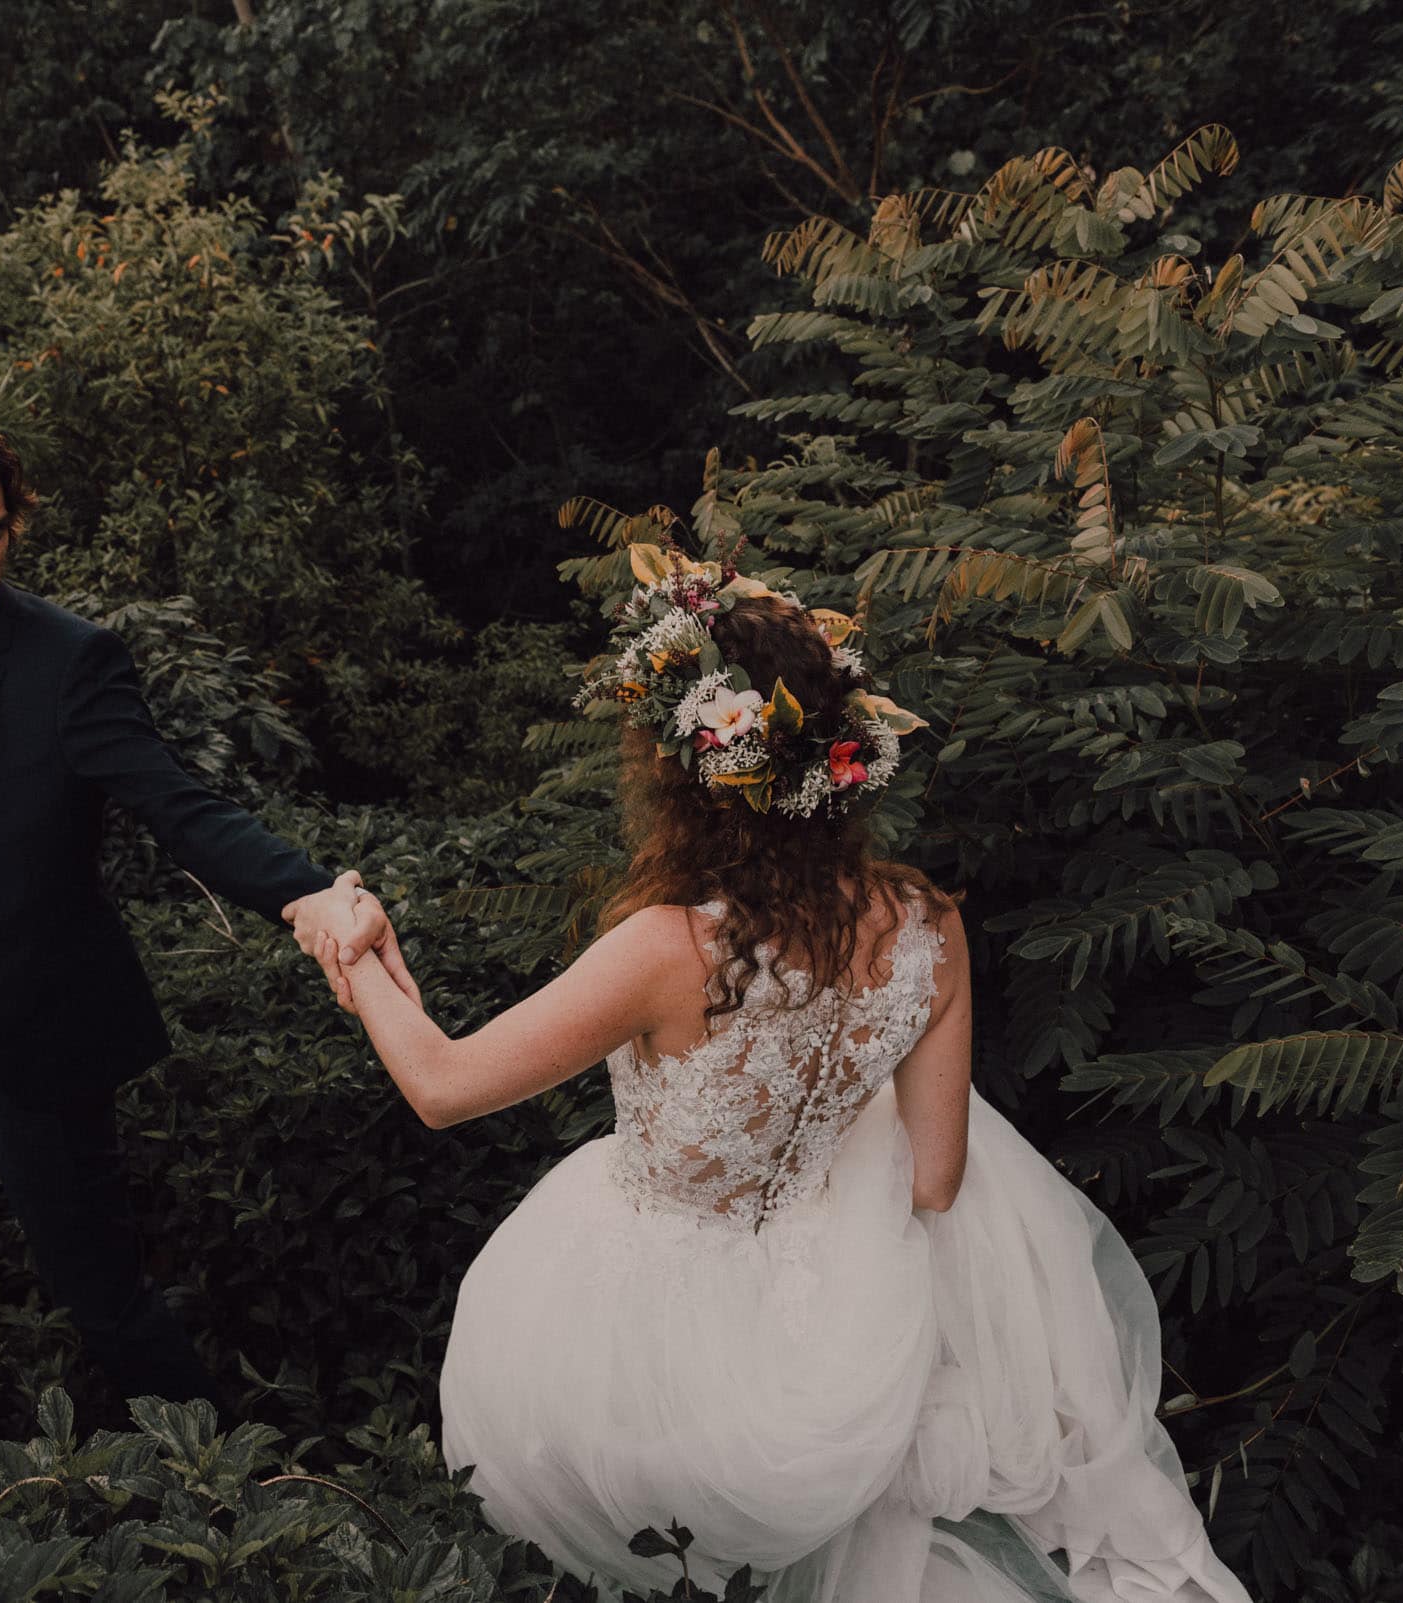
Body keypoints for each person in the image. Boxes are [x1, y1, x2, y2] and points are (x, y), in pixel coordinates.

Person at [306, 555, 1252, 1601]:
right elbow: (935, 1180)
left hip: (635, 1344)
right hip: (833, 1343)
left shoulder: (667, 948)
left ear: (686, 773)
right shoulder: (927, 923)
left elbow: (441, 1083)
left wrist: (345, 936)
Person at [0, 397, 407, 1411]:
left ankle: (223, 1468)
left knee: (101, 1292)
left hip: (44, 1030)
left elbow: (182, 807)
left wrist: (308, 896)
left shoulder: (68, 661)